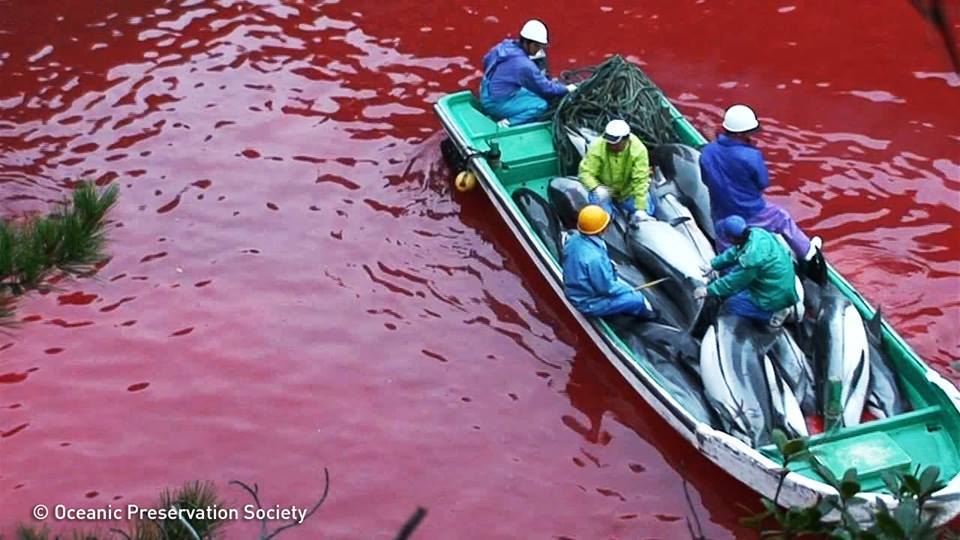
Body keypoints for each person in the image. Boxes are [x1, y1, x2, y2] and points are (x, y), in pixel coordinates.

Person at [699, 104, 822, 260]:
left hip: (720, 212)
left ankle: (726, 271)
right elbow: (762, 183)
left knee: (726, 243)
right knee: (781, 217)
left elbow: (705, 180)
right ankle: (807, 252)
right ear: (742, 133)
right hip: (750, 210)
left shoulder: (707, 152)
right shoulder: (750, 155)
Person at [694, 215, 802, 328]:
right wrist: (713, 264)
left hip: (774, 293)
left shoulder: (751, 260)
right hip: (776, 282)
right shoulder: (756, 234)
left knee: (731, 305)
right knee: (738, 292)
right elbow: (735, 252)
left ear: (732, 238)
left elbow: (733, 283)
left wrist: (708, 291)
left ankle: (772, 315)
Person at [562, 205, 657, 320]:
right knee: (636, 300)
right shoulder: (594, 258)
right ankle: (650, 318)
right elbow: (607, 288)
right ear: (602, 229)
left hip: (576, 289)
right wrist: (629, 290)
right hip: (586, 302)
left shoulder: (574, 239)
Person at [479, 19, 576, 127]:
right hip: (495, 103)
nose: (538, 50)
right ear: (526, 42)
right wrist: (566, 89)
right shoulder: (524, 65)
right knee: (540, 105)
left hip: (485, 90)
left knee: (531, 92)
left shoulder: (505, 46)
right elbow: (545, 88)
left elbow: (485, 60)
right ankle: (507, 123)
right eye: (536, 46)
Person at [578, 119, 655, 223]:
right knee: (603, 221)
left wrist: (640, 209)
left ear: (626, 139)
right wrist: (596, 187)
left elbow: (640, 180)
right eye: (609, 143)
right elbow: (585, 173)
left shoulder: (639, 150)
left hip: (628, 192)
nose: (611, 146)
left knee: (647, 212)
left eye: (616, 143)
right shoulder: (597, 147)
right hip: (603, 191)